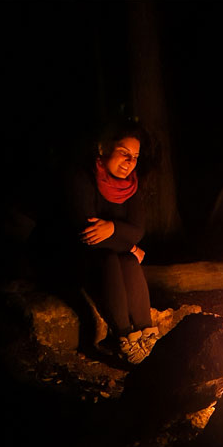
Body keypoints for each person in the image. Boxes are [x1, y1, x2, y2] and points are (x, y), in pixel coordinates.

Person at [63, 119, 158, 364]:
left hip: (116, 257)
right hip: (78, 255)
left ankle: (147, 335)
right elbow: (89, 235)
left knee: (127, 260)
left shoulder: (131, 186)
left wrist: (114, 228)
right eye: (124, 153)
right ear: (104, 148)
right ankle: (124, 337)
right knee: (110, 257)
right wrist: (127, 242)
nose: (130, 163)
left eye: (135, 157)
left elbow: (137, 230)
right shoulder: (82, 178)